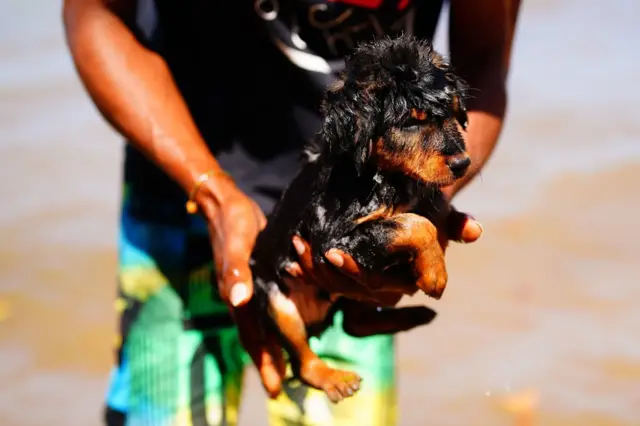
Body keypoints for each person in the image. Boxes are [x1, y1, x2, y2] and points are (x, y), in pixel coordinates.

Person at [62, 0, 520, 425]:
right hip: (181, 186)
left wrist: (424, 201)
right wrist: (213, 195)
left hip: (355, 228)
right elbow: (94, 15)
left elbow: (484, 59)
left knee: (342, 386)